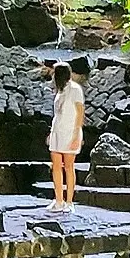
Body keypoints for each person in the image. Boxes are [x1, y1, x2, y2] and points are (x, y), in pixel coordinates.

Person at [47, 62, 84, 211]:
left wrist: (76, 136)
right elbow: (58, 114)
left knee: (68, 166)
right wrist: (51, 133)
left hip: (70, 132)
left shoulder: (75, 89)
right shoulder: (60, 91)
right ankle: (58, 200)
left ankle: (69, 202)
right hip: (58, 131)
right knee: (56, 166)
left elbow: (80, 113)